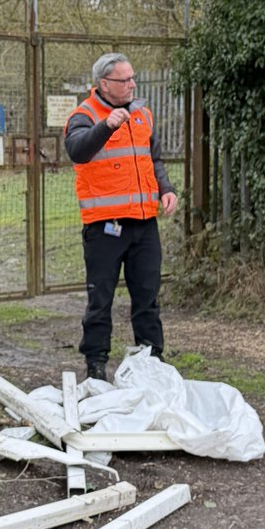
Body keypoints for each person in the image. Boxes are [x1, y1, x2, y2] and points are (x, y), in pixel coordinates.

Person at [64, 52, 178, 380]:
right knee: (100, 299)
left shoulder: (142, 114)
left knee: (147, 296)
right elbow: (77, 150)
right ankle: (96, 364)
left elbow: (153, 159)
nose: (132, 85)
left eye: (132, 78)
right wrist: (106, 126)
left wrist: (165, 188)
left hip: (144, 223)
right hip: (105, 226)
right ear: (104, 84)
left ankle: (152, 360)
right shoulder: (84, 115)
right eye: (124, 80)